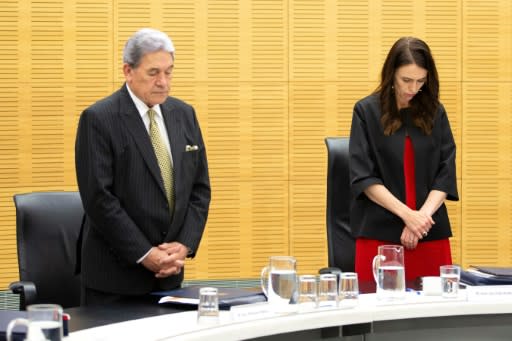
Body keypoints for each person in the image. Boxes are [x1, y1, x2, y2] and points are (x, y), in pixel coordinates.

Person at [75, 28, 211, 305]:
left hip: (169, 277)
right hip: (114, 281)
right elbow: (99, 198)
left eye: (169, 72)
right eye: (153, 73)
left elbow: (199, 188)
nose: (163, 82)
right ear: (128, 71)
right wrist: (145, 253)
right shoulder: (99, 119)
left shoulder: (184, 114)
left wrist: (184, 245)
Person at [348, 37, 458, 282]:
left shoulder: (435, 112)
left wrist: (421, 219)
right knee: (378, 313)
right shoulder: (366, 111)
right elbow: (364, 177)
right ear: (391, 75)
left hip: (429, 232)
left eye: (420, 81)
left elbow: (446, 172)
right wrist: (408, 216)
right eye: (406, 80)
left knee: (435, 314)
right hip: (380, 234)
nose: (412, 88)